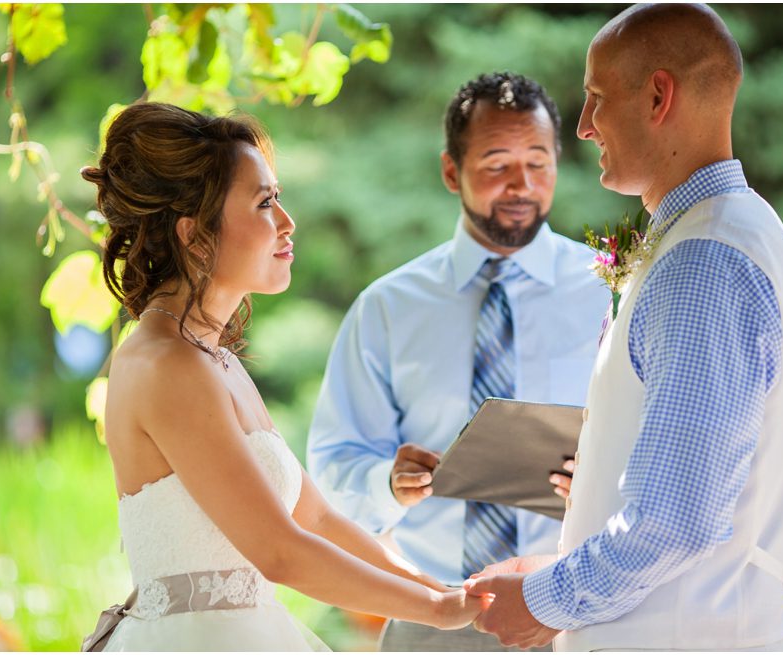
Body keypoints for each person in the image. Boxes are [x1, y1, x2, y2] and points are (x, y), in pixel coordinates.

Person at [465, 4, 783, 652]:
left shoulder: (706, 261)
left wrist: (546, 600)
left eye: (597, 98)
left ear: (659, 96)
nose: (583, 125)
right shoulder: (734, 233)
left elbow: (677, 519)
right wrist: (575, 538)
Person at [79, 102, 483, 652]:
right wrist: (436, 612)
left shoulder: (214, 359)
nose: (288, 223)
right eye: (264, 202)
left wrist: (442, 592)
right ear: (194, 235)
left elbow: (316, 518)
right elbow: (279, 551)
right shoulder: (164, 362)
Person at [307, 72, 610, 651]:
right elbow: (331, 471)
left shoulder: (611, 292)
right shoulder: (388, 308)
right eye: (497, 164)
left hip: (574, 610)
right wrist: (386, 485)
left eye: (538, 163)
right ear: (451, 171)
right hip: (429, 612)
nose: (522, 185)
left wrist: (604, 476)